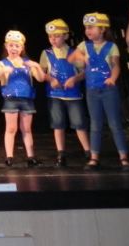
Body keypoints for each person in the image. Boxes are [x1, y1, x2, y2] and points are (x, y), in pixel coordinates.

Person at [68, 12, 129, 170]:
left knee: (115, 123)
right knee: (95, 124)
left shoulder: (111, 47)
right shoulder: (84, 46)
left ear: (102, 29)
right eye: (86, 28)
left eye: (91, 27)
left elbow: (116, 66)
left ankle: (123, 157)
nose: (87, 30)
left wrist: (112, 79)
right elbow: (71, 58)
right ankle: (94, 157)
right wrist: (80, 57)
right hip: (92, 91)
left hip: (108, 90)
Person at [39, 18, 90, 166]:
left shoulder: (74, 52)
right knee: (58, 124)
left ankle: (88, 152)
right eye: (50, 36)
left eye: (57, 36)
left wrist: (75, 78)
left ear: (66, 36)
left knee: (79, 124)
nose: (53, 39)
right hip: (54, 95)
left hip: (73, 95)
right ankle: (61, 154)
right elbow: (41, 74)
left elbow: (85, 72)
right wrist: (50, 79)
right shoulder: (46, 53)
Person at [0, 30, 45, 167]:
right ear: (6, 46)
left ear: (22, 48)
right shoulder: (2, 63)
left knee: (26, 129)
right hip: (11, 99)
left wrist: (37, 66)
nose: (14, 48)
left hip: (27, 99)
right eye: (11, 45)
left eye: (17, 46)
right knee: (11, 128)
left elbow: (41, 78)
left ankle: (30, 156)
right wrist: (2, 71)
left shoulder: (28, 63)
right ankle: (9, 156)